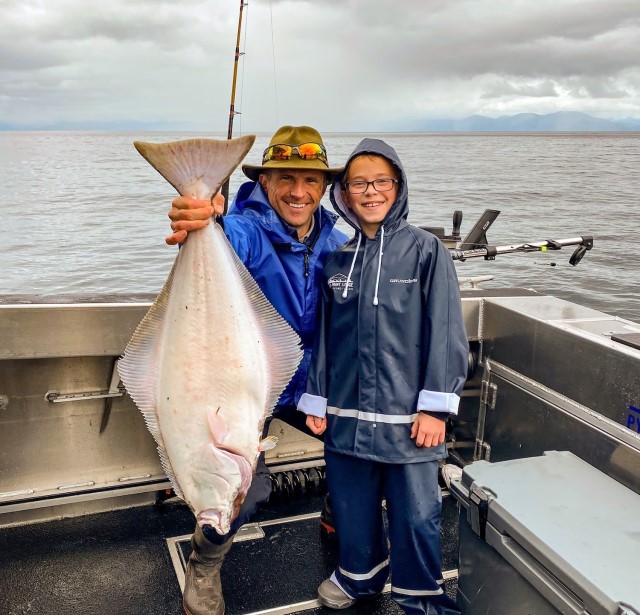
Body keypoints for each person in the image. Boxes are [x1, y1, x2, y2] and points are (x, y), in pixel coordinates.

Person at [166, 125, 348, 615]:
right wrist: (205, 218)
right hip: (247, 385)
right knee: (242, 493)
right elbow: (225, 229)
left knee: (362, 440)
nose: (297, 191)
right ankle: (205, 566)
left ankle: (339, 510)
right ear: (264, 182)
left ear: (325, 188)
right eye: (284, 178)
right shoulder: (247, 230)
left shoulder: (339, 241)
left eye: (310, 181)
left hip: (308, 380)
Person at [297, 138, 469, 615]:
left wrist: (436, 407)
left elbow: (447, 331)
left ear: (398, 186)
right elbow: (325, 341)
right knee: (352, 509)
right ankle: (359, 576)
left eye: (380, 181)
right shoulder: (335, 261)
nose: (370, 191)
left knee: (416, 516)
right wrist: (317, 399)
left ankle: (420, 593)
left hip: (410, 421)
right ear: (345, 194)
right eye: (358, 184)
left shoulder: (427, 251)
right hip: (346, 416)